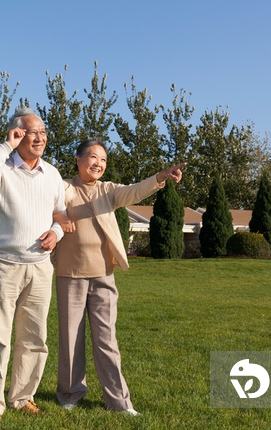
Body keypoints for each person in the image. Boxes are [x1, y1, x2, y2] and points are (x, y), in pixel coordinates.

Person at [52, 139, 185, 415]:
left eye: (103, 159)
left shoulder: (109, 191)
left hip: (104, 276)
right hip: (70, 274)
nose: (98, 163)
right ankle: (69, 394)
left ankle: (118, 402)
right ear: (78, 160)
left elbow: (135, 191)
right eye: (92, 157)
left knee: (107, 341)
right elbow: (48, 201)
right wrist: (57, 214)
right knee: (70, 340)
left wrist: (160, 177)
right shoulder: (64, 188)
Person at [0, 107, 66, 424]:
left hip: (40, 267)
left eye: (43, 132)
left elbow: (60, 214)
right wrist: (5, 146)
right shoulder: (0, 169)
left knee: (35, 338)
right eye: (32, 132)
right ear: (18, 134)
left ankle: (23, 397)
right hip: (3, 266)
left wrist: (57, 232)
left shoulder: (52, 174)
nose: (40, 137)